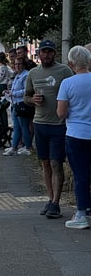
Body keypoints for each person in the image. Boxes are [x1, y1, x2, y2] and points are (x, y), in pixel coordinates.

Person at [24, 40, 73, 219]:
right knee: (45, 163)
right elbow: (25, 96)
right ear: (39, 54)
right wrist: (32, 100)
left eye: (49, 52)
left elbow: (73, 93)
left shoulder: (64, 71)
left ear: (54, 54)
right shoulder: (33, 73)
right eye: (43, 52)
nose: (46, 55)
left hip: (58, 125)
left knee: (56, 162)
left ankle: (56, 203)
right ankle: (50, 198)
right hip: (39, 123)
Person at [56, 46, 91, 229]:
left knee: (81, 175)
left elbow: (61, 113)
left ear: (71, 64)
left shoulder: (67, 84)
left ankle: (81, 213)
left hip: (76, 134)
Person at [3, 57, 33, 156]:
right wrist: (10, 92)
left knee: (24, 126)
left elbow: (26, 90)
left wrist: (14, 93)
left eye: (19, 64)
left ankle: (28, 147)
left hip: (22, 103)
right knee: (16, 127)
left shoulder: (26, 75)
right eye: (16, 64)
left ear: (23, 65)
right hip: (16, 104)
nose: (17, 66)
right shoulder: (18, 75)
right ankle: (14, 147)